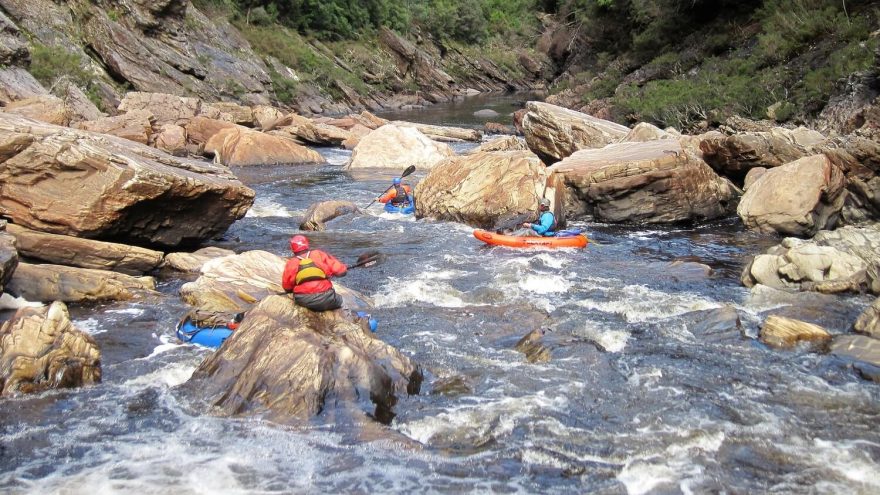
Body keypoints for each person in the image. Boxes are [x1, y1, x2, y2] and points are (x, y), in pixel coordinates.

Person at [281, 235, 348, 311]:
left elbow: (287, 287)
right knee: (342, 301)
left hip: (304, 300)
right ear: (307, 244)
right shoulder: (319, 254)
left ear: (292, 249)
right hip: (327, 297)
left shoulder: (291, 263)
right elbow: (341, 272)